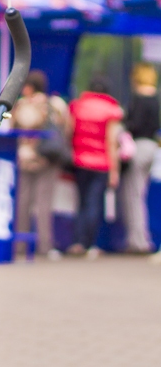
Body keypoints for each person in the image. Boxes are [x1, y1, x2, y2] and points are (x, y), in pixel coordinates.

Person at [11, 70, 67, 258]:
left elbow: (15, 126)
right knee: (44, 203)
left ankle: (20, 245)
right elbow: (66, 127)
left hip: (26, 157)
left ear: (29, 87)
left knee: (22, 202)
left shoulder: (22, 105)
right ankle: (45, 245)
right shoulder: (54, 104)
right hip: (48, 157)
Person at [66, 76, 123, 258]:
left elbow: (69, 131)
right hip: (101, 163)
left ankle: (77, 242)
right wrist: (114, 170)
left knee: (81, 203)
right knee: (94, 203)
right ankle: (89, 244)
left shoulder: (78, 106)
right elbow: (111, 141)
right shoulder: (112, 109)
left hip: (80, 160)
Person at [120, 63, 160, 254]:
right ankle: (140, 238)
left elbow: (133, 124)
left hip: (138, 147)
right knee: (140, 194)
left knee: (133, 196)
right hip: (152, 147)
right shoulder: (155, 98)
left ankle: (138, 241)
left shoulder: (139, 98)